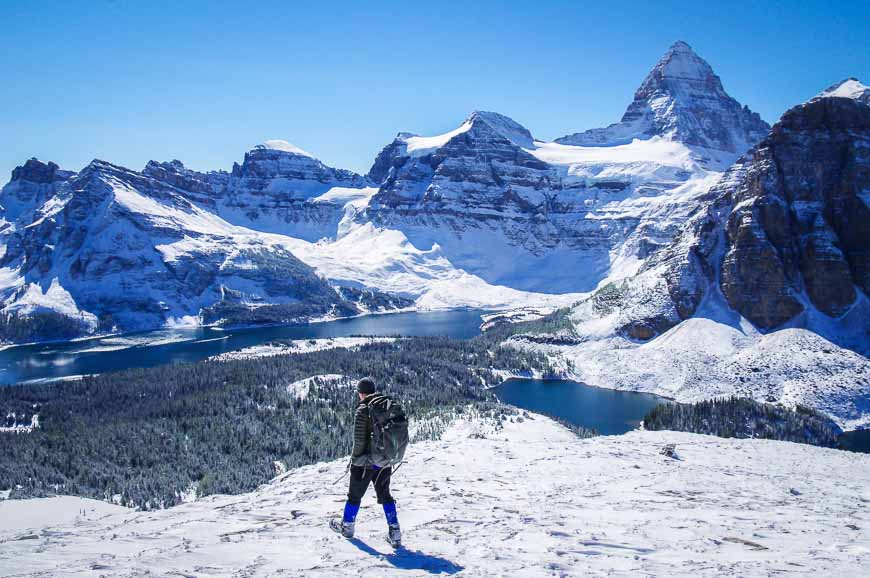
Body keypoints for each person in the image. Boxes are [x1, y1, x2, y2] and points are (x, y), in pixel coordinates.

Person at [330, 377, 402, 547]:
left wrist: (354, 461)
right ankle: (395, 532)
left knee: (354, 496)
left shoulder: (363, 409)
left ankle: (347, 527)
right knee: (385, 494)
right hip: (383, 461)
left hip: (365, 462)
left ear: (361, 393)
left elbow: (359, 440)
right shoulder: (384, 405)